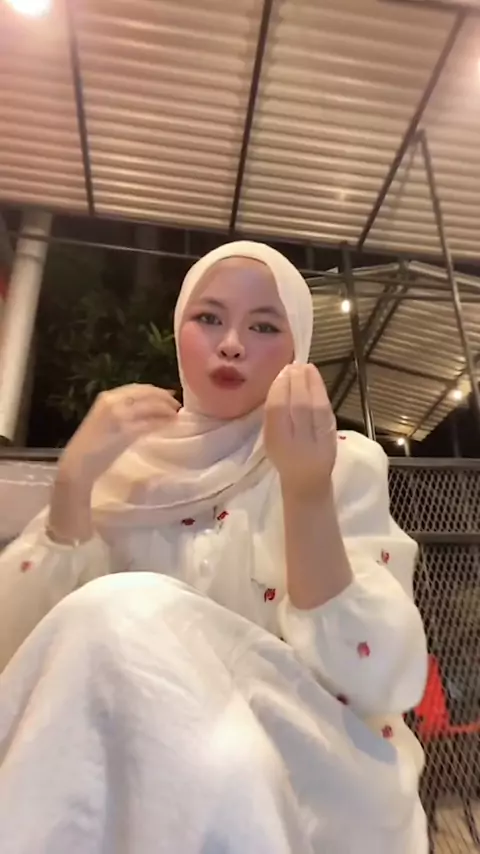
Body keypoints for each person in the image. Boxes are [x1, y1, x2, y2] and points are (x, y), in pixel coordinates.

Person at [0, 241, 428, 853]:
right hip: (129, 776)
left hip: (305, 770)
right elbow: (23, 659)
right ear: (179, 331)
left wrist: (306, 492)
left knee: (129, 613)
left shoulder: (337, 462)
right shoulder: (124, 472)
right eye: (208, 318)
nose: (231, 344)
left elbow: (379, 679)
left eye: (264, 326)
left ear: (298, 350)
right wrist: (74, 485)